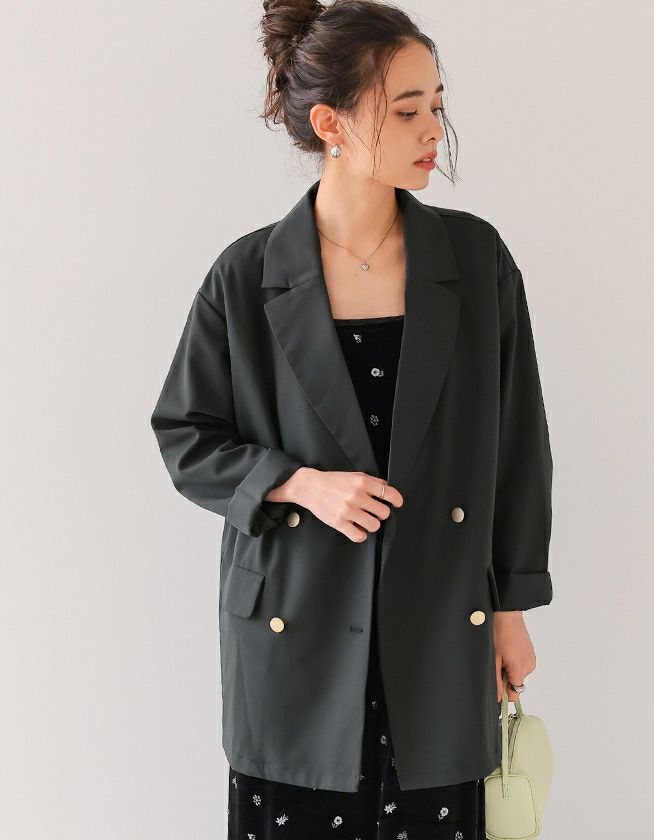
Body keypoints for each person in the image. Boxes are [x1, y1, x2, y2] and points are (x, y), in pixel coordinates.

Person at [151, 1, 553, 837]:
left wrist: (510, 608)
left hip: (441, 615)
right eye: (405, 110)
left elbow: (519, 446)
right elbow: (186, 434)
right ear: (329, 124)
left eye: (435, 104)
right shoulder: (247, 274)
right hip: (294, 620)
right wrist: (298, 484)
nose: (432, 129)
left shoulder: (475, 260)